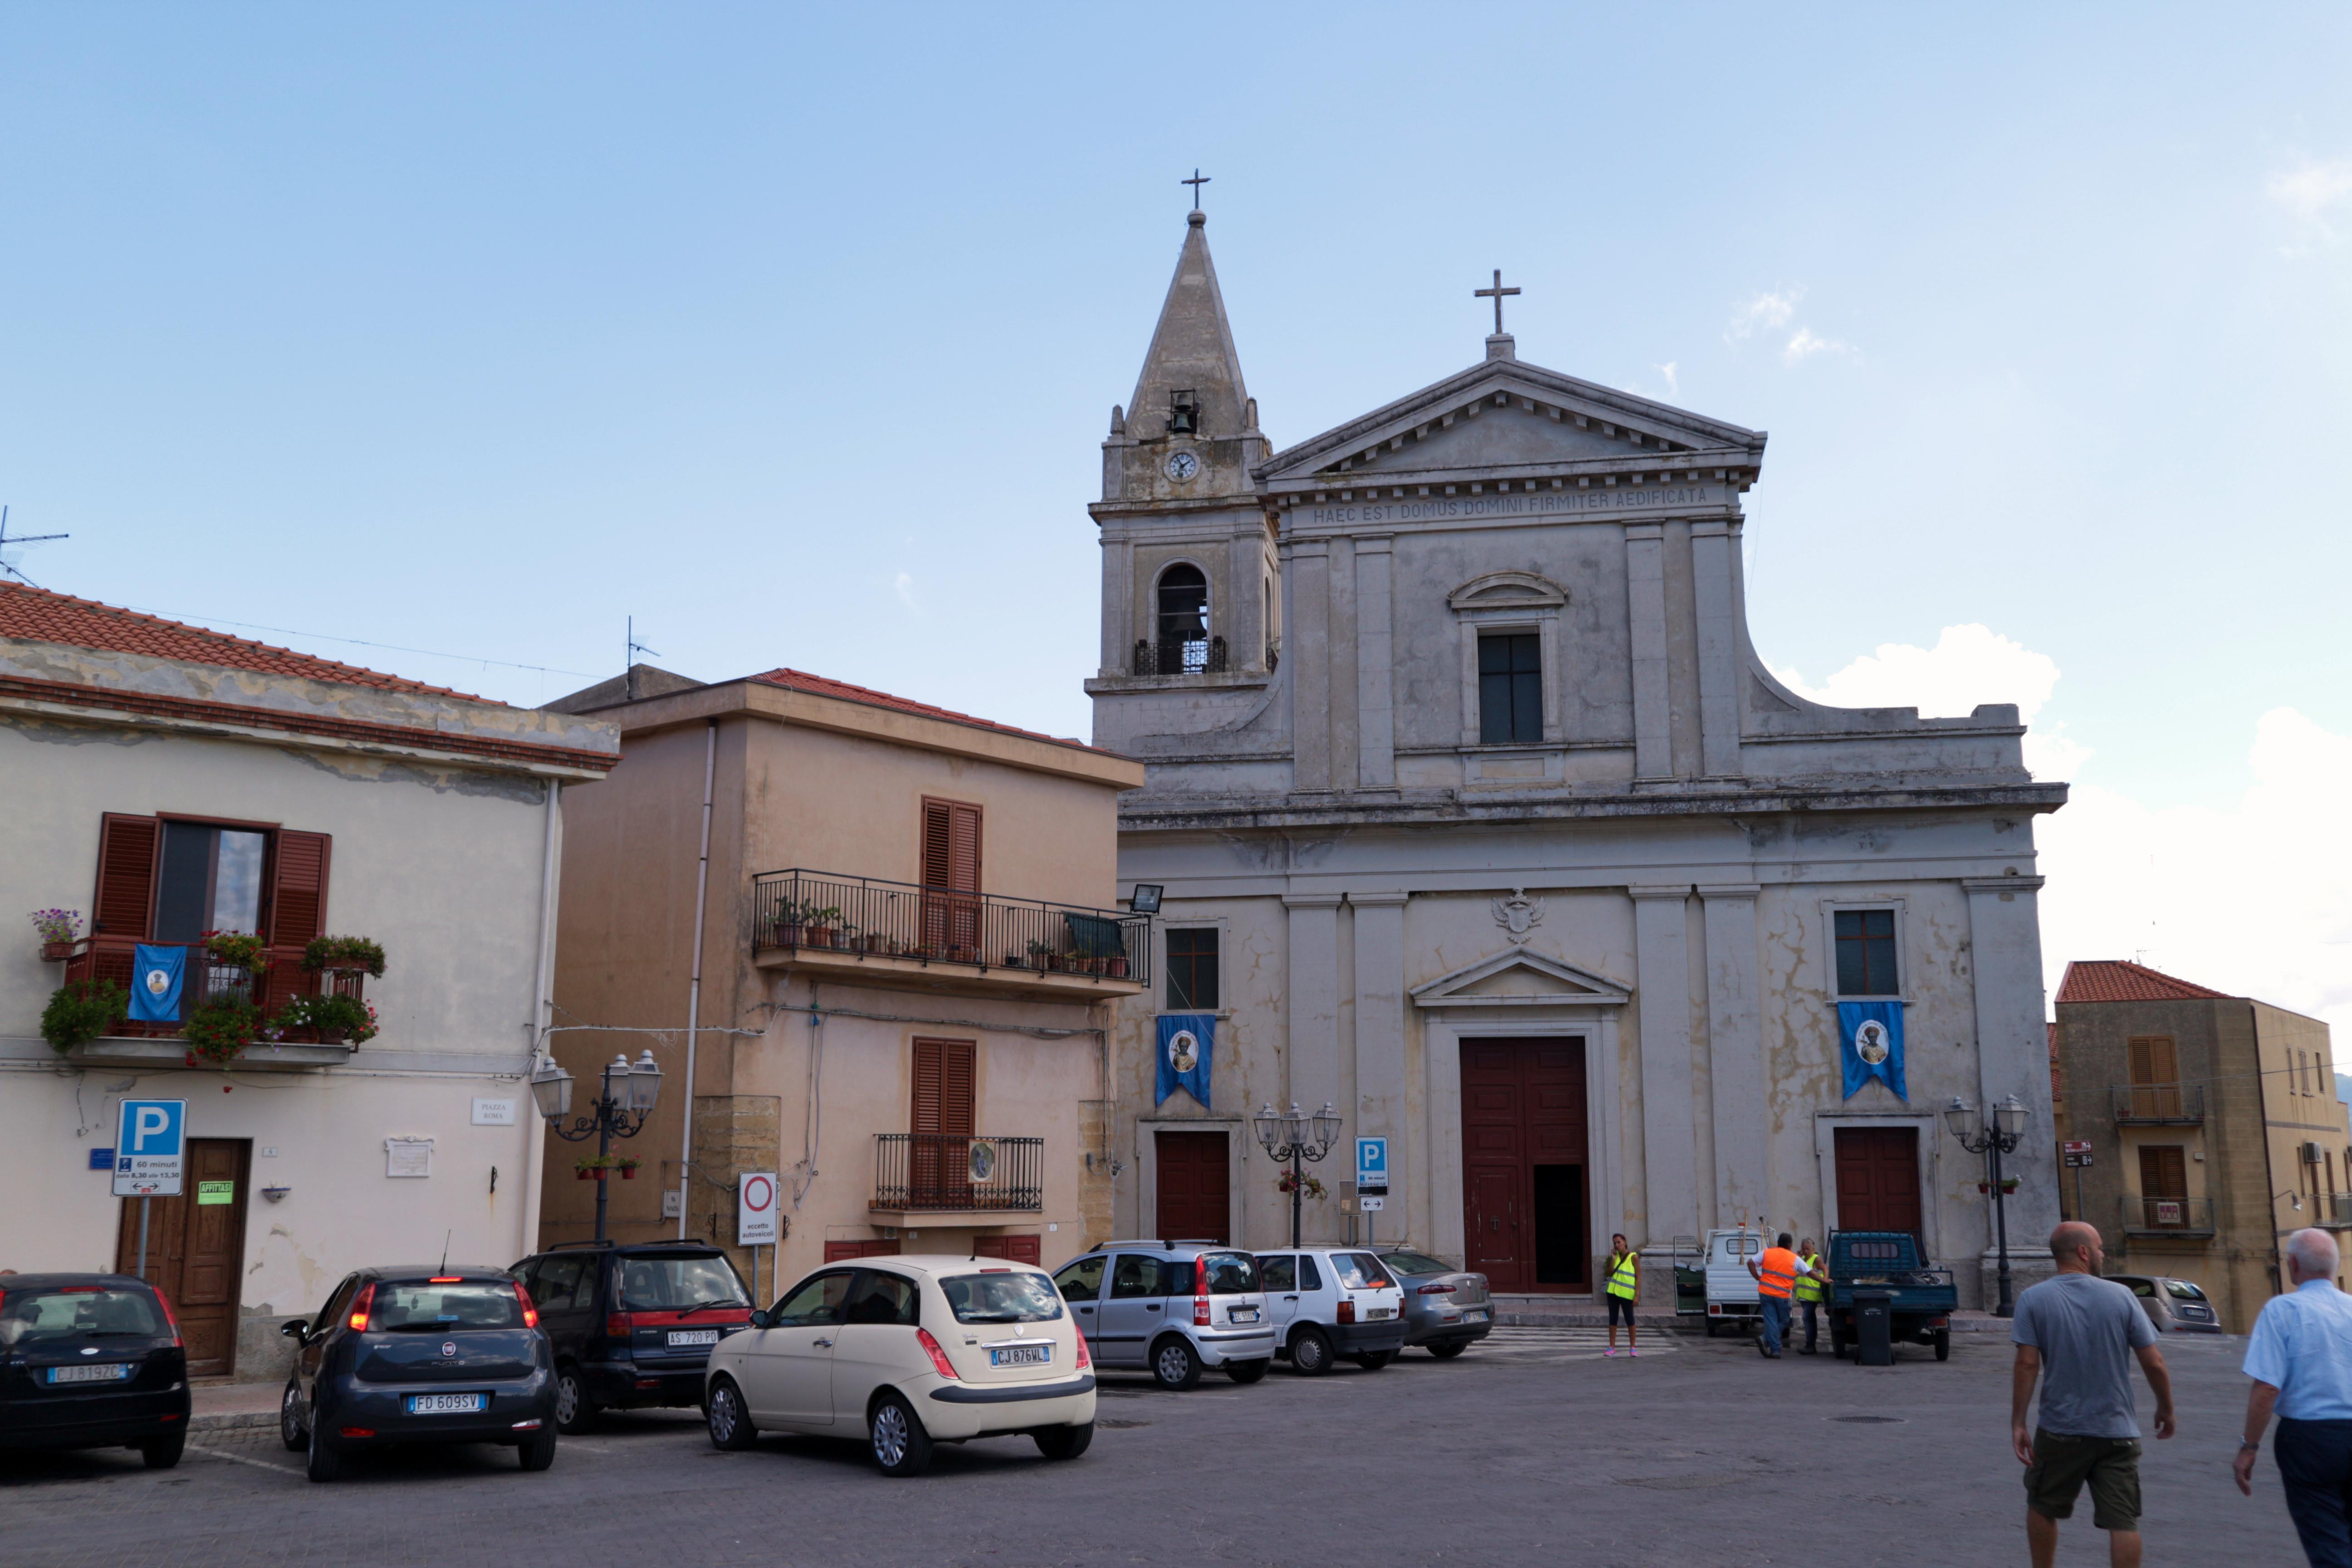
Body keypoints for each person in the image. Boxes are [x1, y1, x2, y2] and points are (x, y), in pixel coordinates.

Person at [2011, 1220, 2176, 1568]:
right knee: (2123, 1521)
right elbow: (2155, 1362)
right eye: (2099, 1247)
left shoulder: (2033, 1299)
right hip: (2117, 1431)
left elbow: (2027, 1365)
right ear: (2083, 1252)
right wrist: (2166, 1407)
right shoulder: (2121, 1296)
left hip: (2060, 1431)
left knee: (2043, 1506)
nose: (2103, 1253)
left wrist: (2019, 1423)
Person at [2234, 1228, 2352, 1566]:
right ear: (2334, 1265)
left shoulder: (2282, 1310)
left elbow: (2268, 1388)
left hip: (2309, 1440)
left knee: (2327, 1541)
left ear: (2294, 1263)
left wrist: (2249, 1448)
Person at [1746, 1232, 1814, 1358]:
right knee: (1784, 1320)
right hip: (1782, 1295)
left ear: (1778, 1244)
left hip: (1765, 1293)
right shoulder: (1794, 1258)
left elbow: (1750, 1263)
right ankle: (1765, 1339)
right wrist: (1825, 1280)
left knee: (1771, 1321)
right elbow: (1810, 1272)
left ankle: (1775, 1350)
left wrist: (1757, 1277)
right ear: (1790, 1245)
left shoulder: (1767, 1253)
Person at [1602, 1234, 1639, 1357]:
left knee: (1630, 1319)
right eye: (1615, 1243)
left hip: (1627, 1293)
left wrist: (1637, 1295)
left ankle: (1633, 1347)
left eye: (1619, 1242)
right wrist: (1613, 1258)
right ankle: (1612, 1347)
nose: (1617, 1245)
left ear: (1625, 1242)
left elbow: (1638, 1277)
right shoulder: (1616, 1256)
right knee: (1613, 1319)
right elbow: (1610, 1273)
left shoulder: (1633, 1257)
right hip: (1613, 1292)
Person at [1793, 1237, 1829, 1355]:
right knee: (1809, 1319)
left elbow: (1825, 1269)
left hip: (1812, 1296)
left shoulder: (1816, 1259)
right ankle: (1810, 1344)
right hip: (1804, 1296)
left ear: (1813, 1249)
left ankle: (1811, 1345)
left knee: (1808, 1319)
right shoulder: (1802, 1259)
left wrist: (1825, 1280)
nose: (1805, 1251)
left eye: (1808, 1249)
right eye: (1804, 1249)